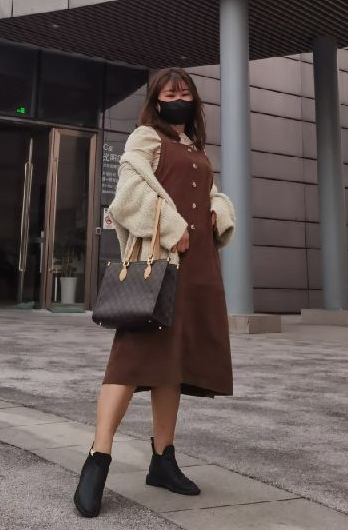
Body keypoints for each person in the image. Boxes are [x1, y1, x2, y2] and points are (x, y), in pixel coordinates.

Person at [73, 68, 236, 518]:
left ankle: (163, 459)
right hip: (160, 263)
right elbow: (127, 195)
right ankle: (98, 458)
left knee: (172, 363)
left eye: (185, 91)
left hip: (199, 268)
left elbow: (213, 194)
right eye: (170, 92)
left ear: (194, 100)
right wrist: (172, 227)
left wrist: (219, 211)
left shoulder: (194, 147)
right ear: (156, 101)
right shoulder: (146, 138)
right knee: (129, 362)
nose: (178, 97)